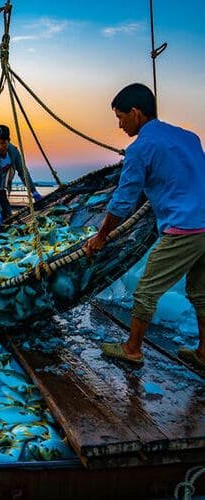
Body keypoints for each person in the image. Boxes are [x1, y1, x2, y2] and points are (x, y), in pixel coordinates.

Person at [84, 83, 205, 369]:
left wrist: (101, 236)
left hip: (183, 229)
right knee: (202, 292)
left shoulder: (141, 148)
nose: (119, 123)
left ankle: (132, 348)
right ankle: (203, 353)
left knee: (146, 291)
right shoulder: (189, 137)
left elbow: (123, 201)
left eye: (120, 116)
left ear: (136, 113)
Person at [0, 124, 42, 230]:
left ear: (8, 141)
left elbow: (23, 171)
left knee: (8, 220)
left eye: (3, 143)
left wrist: (33, 191)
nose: (0, 147)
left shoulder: (13, 152)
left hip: (0, 189)